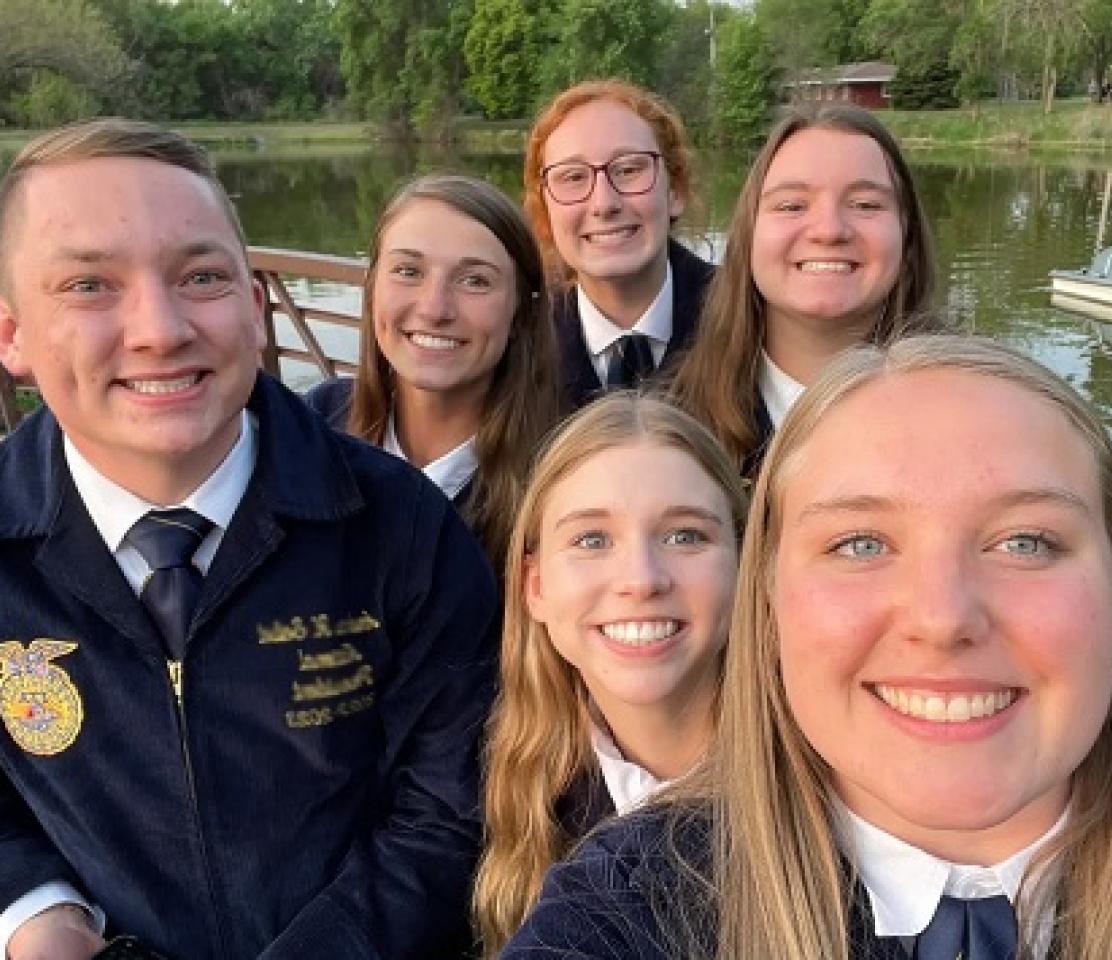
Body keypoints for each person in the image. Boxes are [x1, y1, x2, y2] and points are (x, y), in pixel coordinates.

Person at [503, 335, 1112, 959]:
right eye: (861, 543)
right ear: (767, 600)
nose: (942, 618)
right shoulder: (629, 904)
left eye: (1026, 542)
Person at [0, 119, 497, 960]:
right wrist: (35, 913)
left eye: (201, 277)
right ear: (11, 335)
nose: (159, 329)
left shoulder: (403, 526)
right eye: (89, 286)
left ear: (255, 307)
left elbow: (451, 809)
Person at [473, 392, 745, 957]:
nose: (641, 579)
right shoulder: (515, 785)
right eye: (592, 540)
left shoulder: (837, 784)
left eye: (685, 535)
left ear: (747, 565)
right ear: (535, 587)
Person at [668, 102, 945, 476]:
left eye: (865, 204)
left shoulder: (979, 420)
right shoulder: (672, 429)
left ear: (907, 237)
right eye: (792, 205)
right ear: (749, 235)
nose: (829, 230)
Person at [306, 174, 560, 569]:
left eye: (475, 280)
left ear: (521, 313)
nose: (434, 309)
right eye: (408, 271)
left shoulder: (564, 476)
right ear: (372, 289)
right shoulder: (312, 428)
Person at [523, 80, 714, 409]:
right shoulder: (518, 343)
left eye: (628, 170)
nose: (603, 203)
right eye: (573, 177)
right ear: (545, 212)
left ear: (676, 191)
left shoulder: (751, 319)